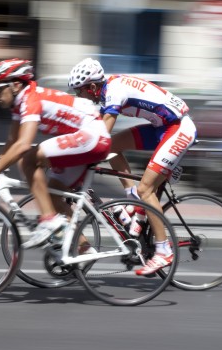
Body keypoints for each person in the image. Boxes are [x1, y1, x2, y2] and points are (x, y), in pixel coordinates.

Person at [68, 58, 196, 275]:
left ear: (91, 87)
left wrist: (75, 158)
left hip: (178, 128)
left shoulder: (114, 92)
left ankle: (163, 251)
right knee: (114, 147)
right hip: (161, 127)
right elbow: (93, 129)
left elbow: (101, 135)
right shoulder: (108, 90)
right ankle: (132, 199)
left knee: (146, 188)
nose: (80, 97)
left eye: (80, 92)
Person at [0, 58, 112, 249]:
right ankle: (83, 250)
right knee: (52, 194)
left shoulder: (31, 99)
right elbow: (12, 140)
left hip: (93, 136)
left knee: (28, 159)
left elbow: (22, 145)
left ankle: (49, 221)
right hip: (86, 138)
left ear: (16, 85)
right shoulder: (20, 104)